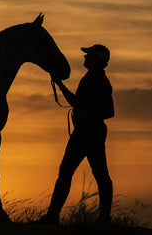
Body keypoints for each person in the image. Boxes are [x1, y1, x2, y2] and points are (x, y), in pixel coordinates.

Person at [39, 44, 114, 224]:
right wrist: (60, 85)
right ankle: (52, 216)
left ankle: (103, 219)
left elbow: (110, 111)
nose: (85, 57)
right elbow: (76, 102)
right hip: (82, 133)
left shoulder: (102, 82)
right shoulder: (88, 78)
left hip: (92, 134)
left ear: (97, 60)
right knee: (66, 172)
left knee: (99, 175)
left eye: (89, 55)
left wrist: (88, 115)